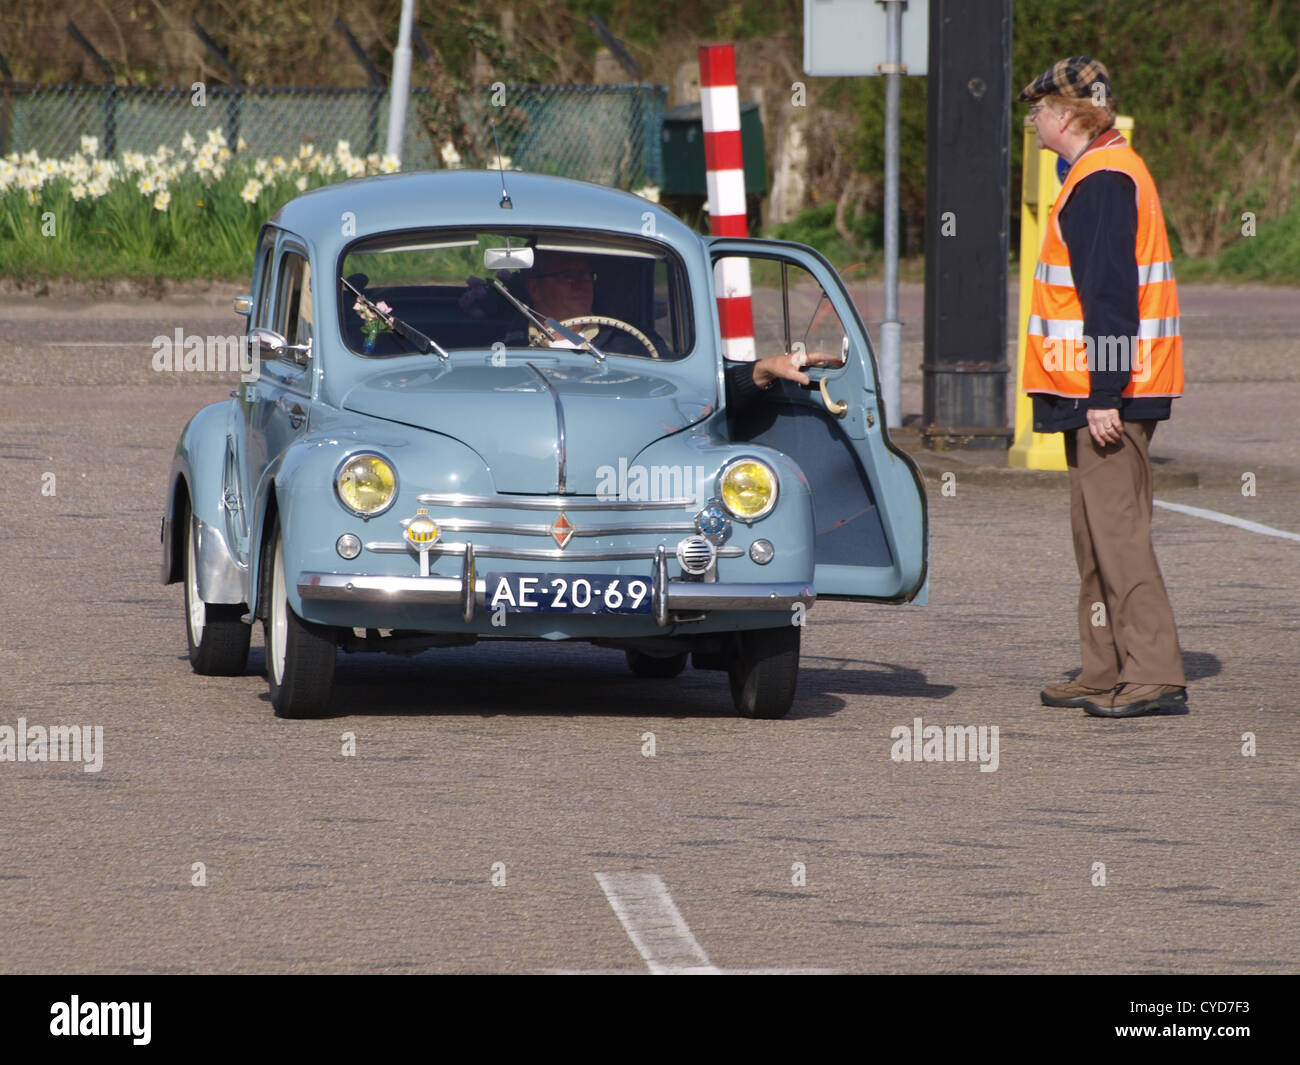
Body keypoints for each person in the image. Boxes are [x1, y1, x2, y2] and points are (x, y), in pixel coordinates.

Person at [1020, 56, 1187, 718]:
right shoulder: (1100, 173)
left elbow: (1111, 300)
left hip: (1109, 391)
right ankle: (1103, 667)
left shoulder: (1102, 181)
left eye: (1037, 110)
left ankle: (1153, 671)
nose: (1032, 120)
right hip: (1094, 388)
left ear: (1066, 116)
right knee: (1094, 537)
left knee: (1117, 536)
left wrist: (1104, 395)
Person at [517, 249, 840, 398]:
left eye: (586, 274)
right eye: (567, 275)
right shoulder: (505, 341)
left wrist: (764, 369)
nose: (581, 283)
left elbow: (694, 392)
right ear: (535, 287)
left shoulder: (634, 344)